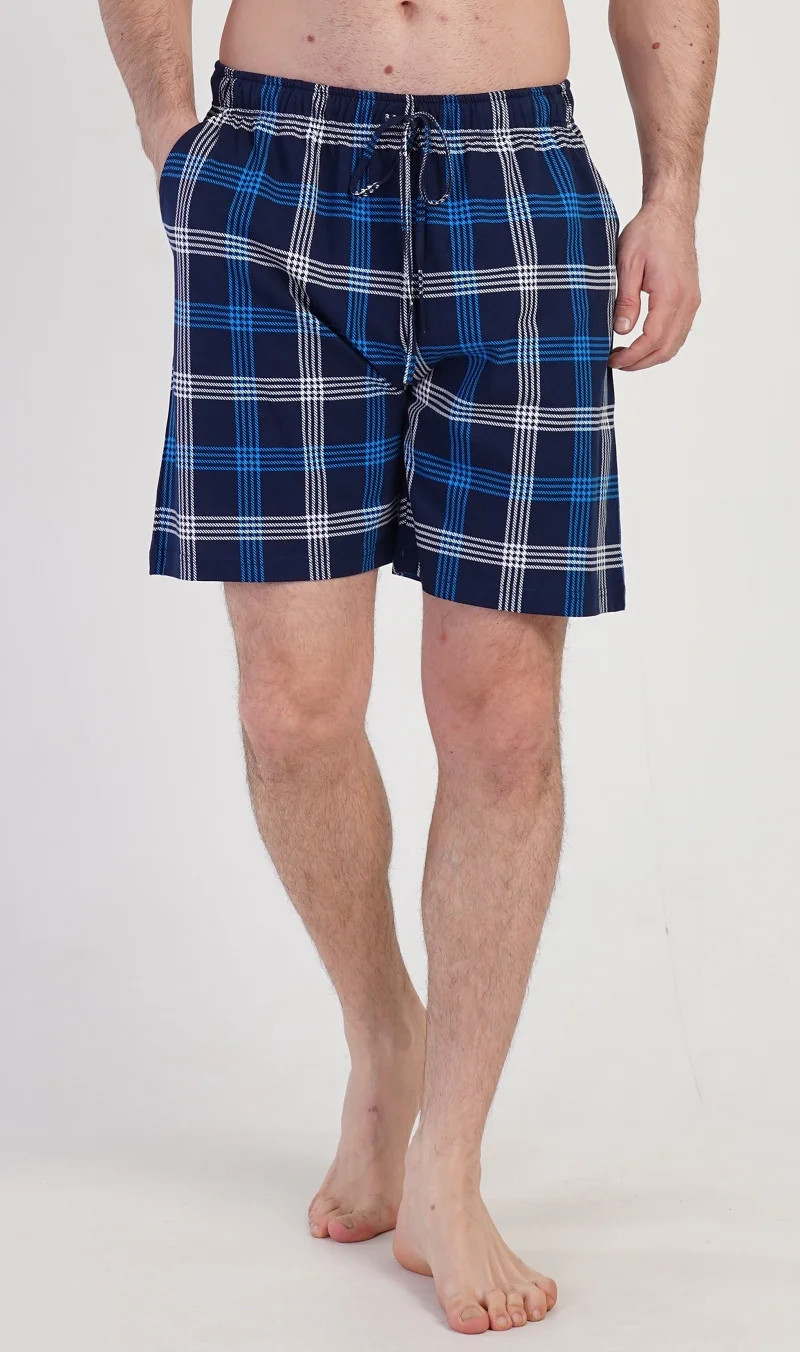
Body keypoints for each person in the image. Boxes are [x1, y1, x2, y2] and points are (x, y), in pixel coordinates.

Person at [99, 0, 718, 1334]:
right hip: (273, 170)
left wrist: (673, 193)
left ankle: (450, 1157)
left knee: (503, 720)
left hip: (514, 178)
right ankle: (382, 1027)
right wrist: (167, 127)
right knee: (292, 711)